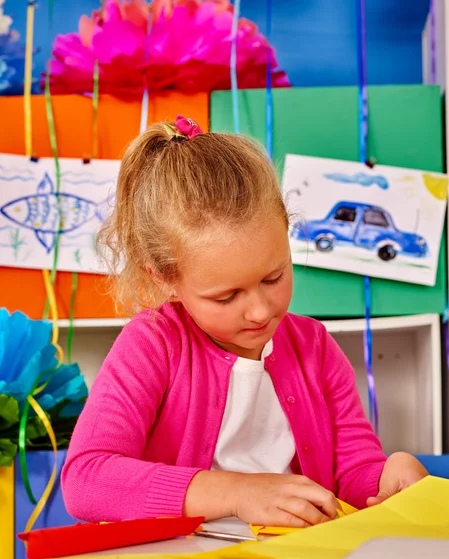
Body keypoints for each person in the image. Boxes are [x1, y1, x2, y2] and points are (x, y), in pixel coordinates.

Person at [62, 115, 427, 527]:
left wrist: (387, 477)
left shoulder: (315, 346)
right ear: (164, 278)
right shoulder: (153, 345)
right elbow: (86, 479)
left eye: (274, 277)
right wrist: (237, 492)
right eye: (226, 296)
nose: (260, 311)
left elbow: (352, 475)